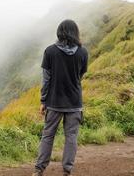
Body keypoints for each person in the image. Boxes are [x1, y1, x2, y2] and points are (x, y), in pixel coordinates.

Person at [33, 19, 88, 176]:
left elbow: (46, 79)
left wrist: (43, 100)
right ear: (75, 32)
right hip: (75, 102)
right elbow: (80, 76)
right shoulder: (83, 52)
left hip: (54, 102)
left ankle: (39, 169)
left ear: (59, 32)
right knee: (71, 137)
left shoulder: (50, 51)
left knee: (48, 135)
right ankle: (67, 170)